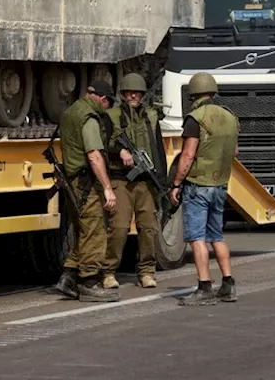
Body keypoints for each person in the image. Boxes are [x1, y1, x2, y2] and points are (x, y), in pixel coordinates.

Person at [170, 71, 240, 306]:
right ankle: (228, 284)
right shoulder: (229, 116)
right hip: (220, 184)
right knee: (216, 236)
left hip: (198, 185)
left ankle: (204, 287)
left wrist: (177, 183)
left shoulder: (195, 118)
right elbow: (235, 152)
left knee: (196, 237)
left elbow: (188, 155)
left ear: (193, 94)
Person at [51, 80, 120, 302]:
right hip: (85, 183)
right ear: (103, 99)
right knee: (94, 229)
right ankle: (89, 282)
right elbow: (93, 154)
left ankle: (69, 276)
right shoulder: (89, 118)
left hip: (72, 181)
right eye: (107, 104)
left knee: (81, 230)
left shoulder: (70, 112)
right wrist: (108, 188)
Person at [101, 73, 168, 289]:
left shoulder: (151, 116)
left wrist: (162, 182)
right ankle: (109, 271)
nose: (133, 96)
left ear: (142, 95)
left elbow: (158, 150)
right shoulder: (111, 116)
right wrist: (120, 151)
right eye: (129, 92)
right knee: (119, 227)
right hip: (121, 180)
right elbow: (103, 146)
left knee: (148, 227)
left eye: (137, 93)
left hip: (146, 181)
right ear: (122, 94)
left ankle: (147, 271)